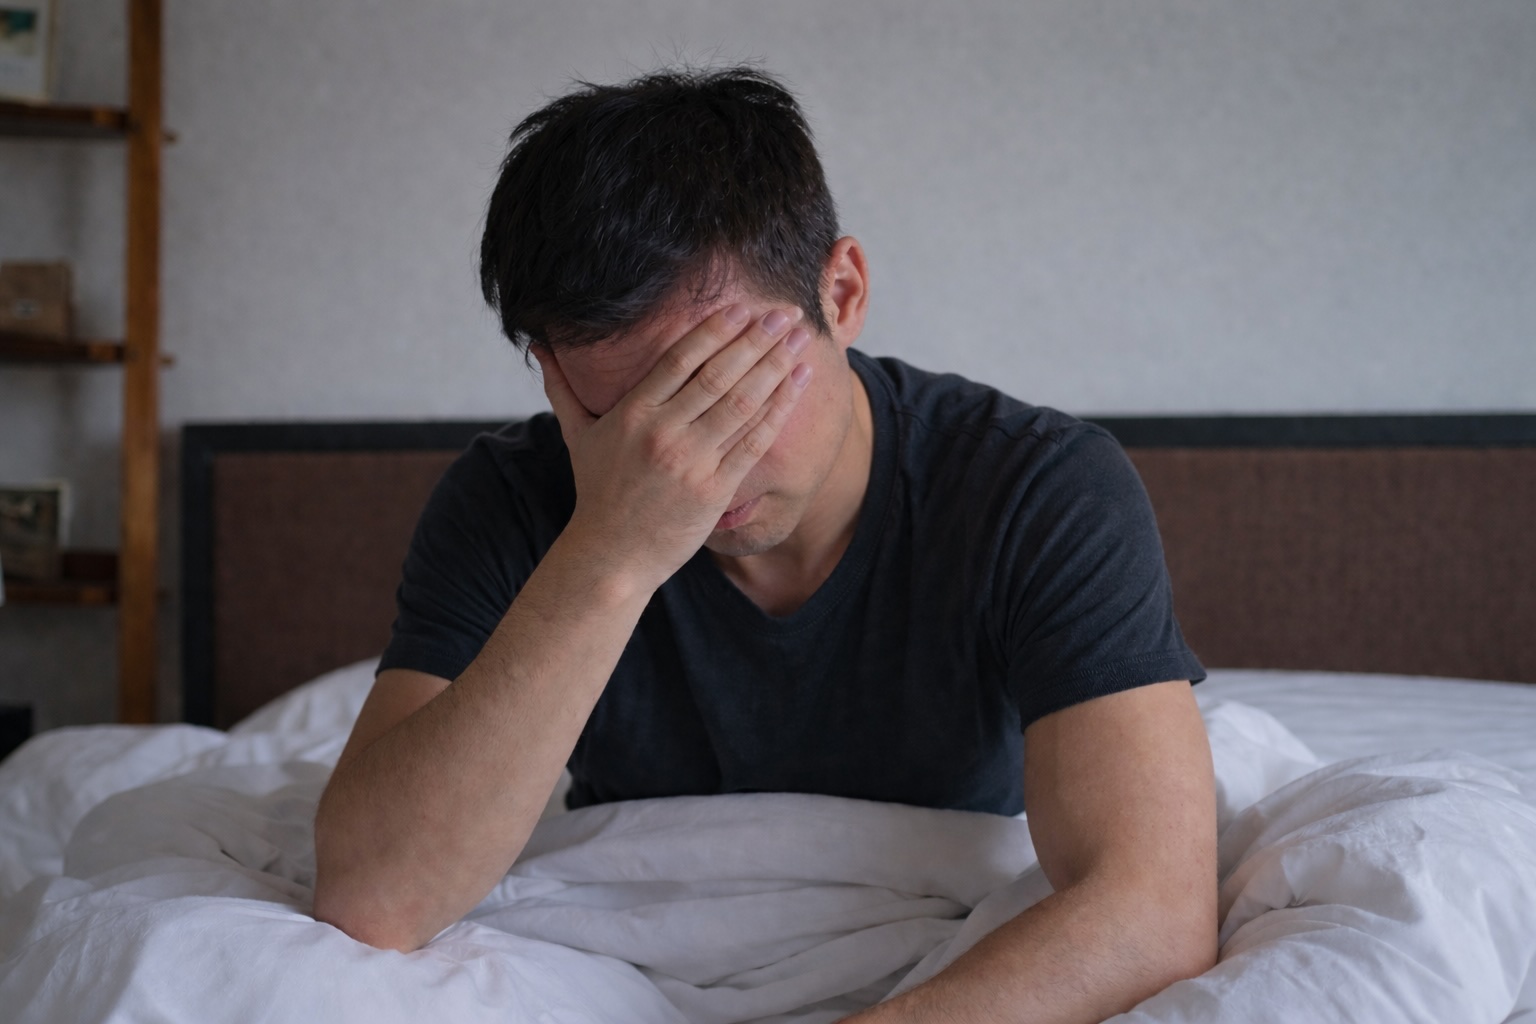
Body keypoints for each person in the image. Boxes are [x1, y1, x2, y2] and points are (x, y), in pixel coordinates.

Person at [312, 64, 1218, 1023]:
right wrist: (612, 550)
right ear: (554, 377)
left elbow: (1152, 911)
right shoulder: (511, 500)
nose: (686, 468)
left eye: (725, 396)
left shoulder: (1040, 487)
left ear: (843, 292)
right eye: (623, 418)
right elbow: (375, 897)